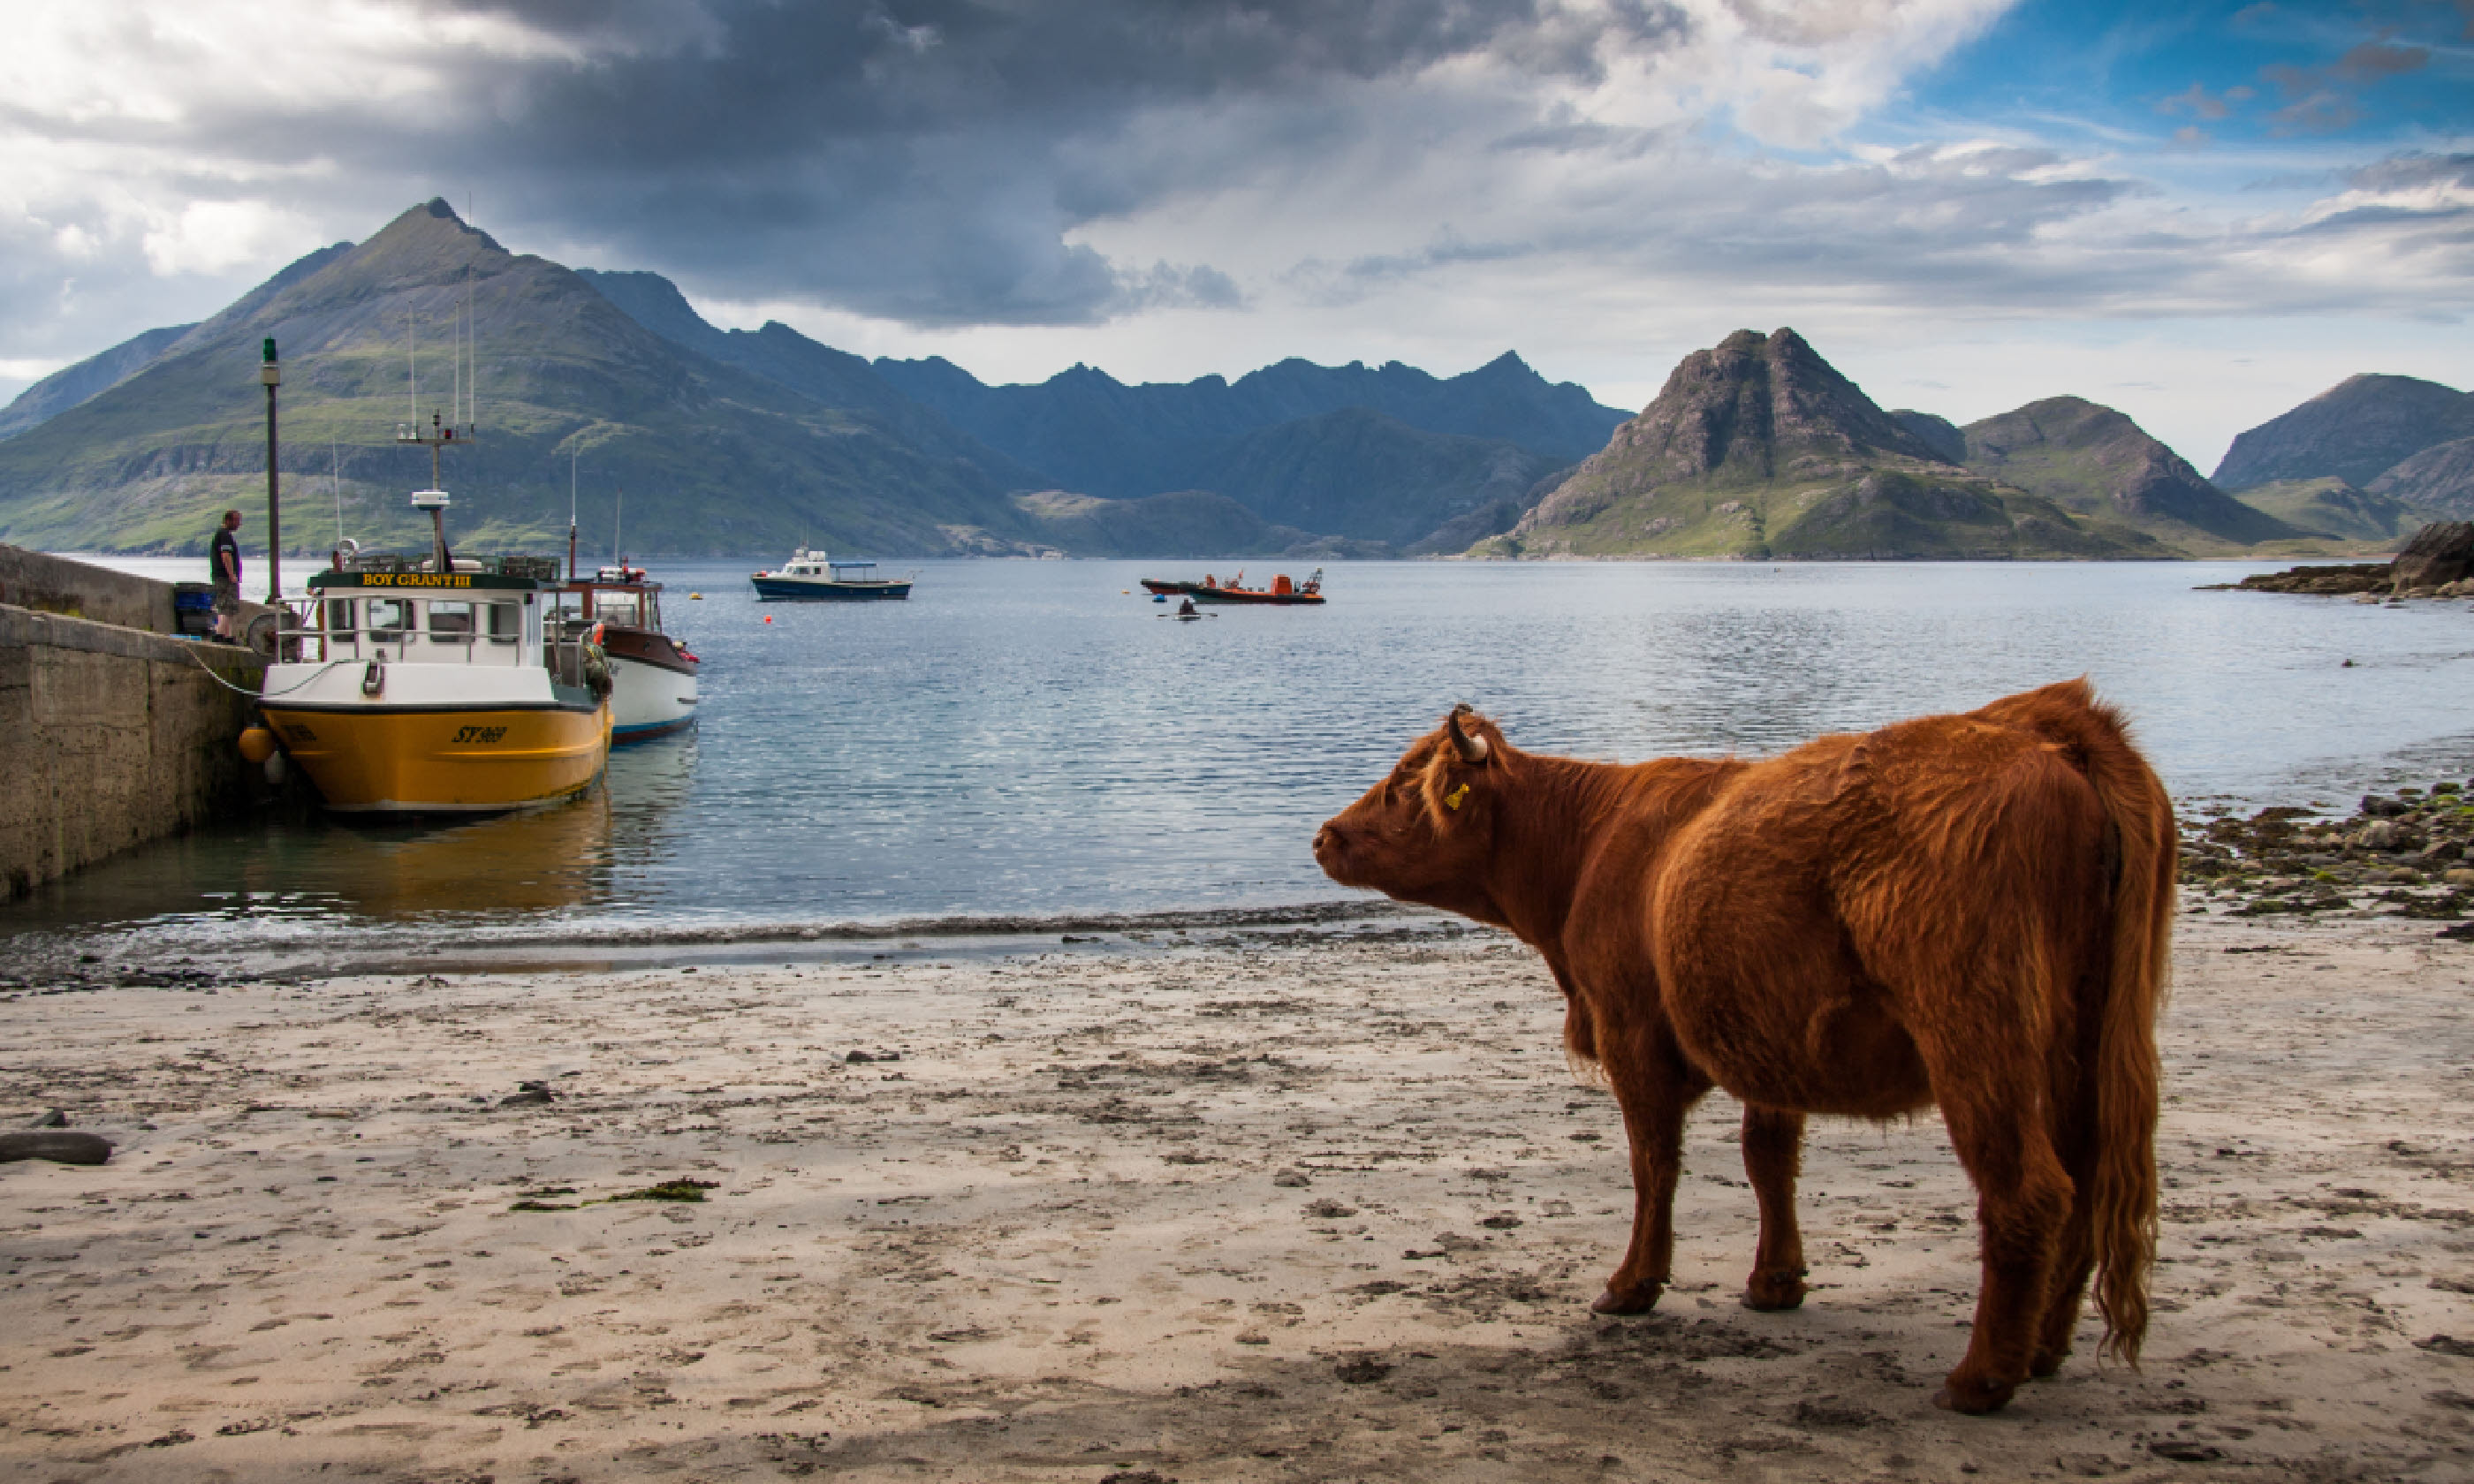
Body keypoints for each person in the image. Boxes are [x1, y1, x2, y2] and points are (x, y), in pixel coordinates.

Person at [209, 509, 243, 641]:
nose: (238, 524)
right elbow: (226, 555)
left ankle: (227, 635)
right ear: (228, 520)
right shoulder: (224, 535)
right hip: (225, 577)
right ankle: (220, 634)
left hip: (220, 576)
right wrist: (232, 575)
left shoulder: (223, 534)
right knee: (227, 606)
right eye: (237, 521)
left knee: (225, 606)